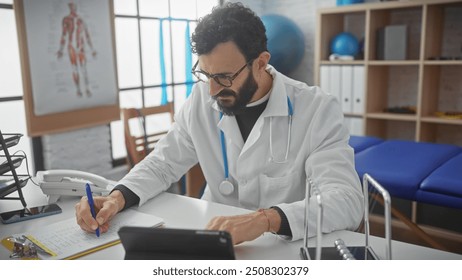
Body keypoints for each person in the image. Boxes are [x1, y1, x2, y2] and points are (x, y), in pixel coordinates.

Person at [75, 2, 364, 245]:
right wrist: (116, 197)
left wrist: (265, 220)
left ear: (261, 63)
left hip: (282, 247)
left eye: (224, 77)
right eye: (206, 74)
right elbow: (163, 163)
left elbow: (347, 201)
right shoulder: (202, 98)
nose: (212, 91)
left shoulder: (316, 109)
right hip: (213, 241)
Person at [56, 1, 97, 97]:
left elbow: (87, 35)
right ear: (69, 7)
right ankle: (78, 90)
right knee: (75, 69)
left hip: (80, 47)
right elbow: (64, 35)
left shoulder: (81, 20)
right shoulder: (66, 19)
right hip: (72, 47)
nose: (73, 8)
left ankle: (87, 89)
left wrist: (92, 50)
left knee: (84, 69)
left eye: (74, 6)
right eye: (71, 6)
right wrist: (61, 50)